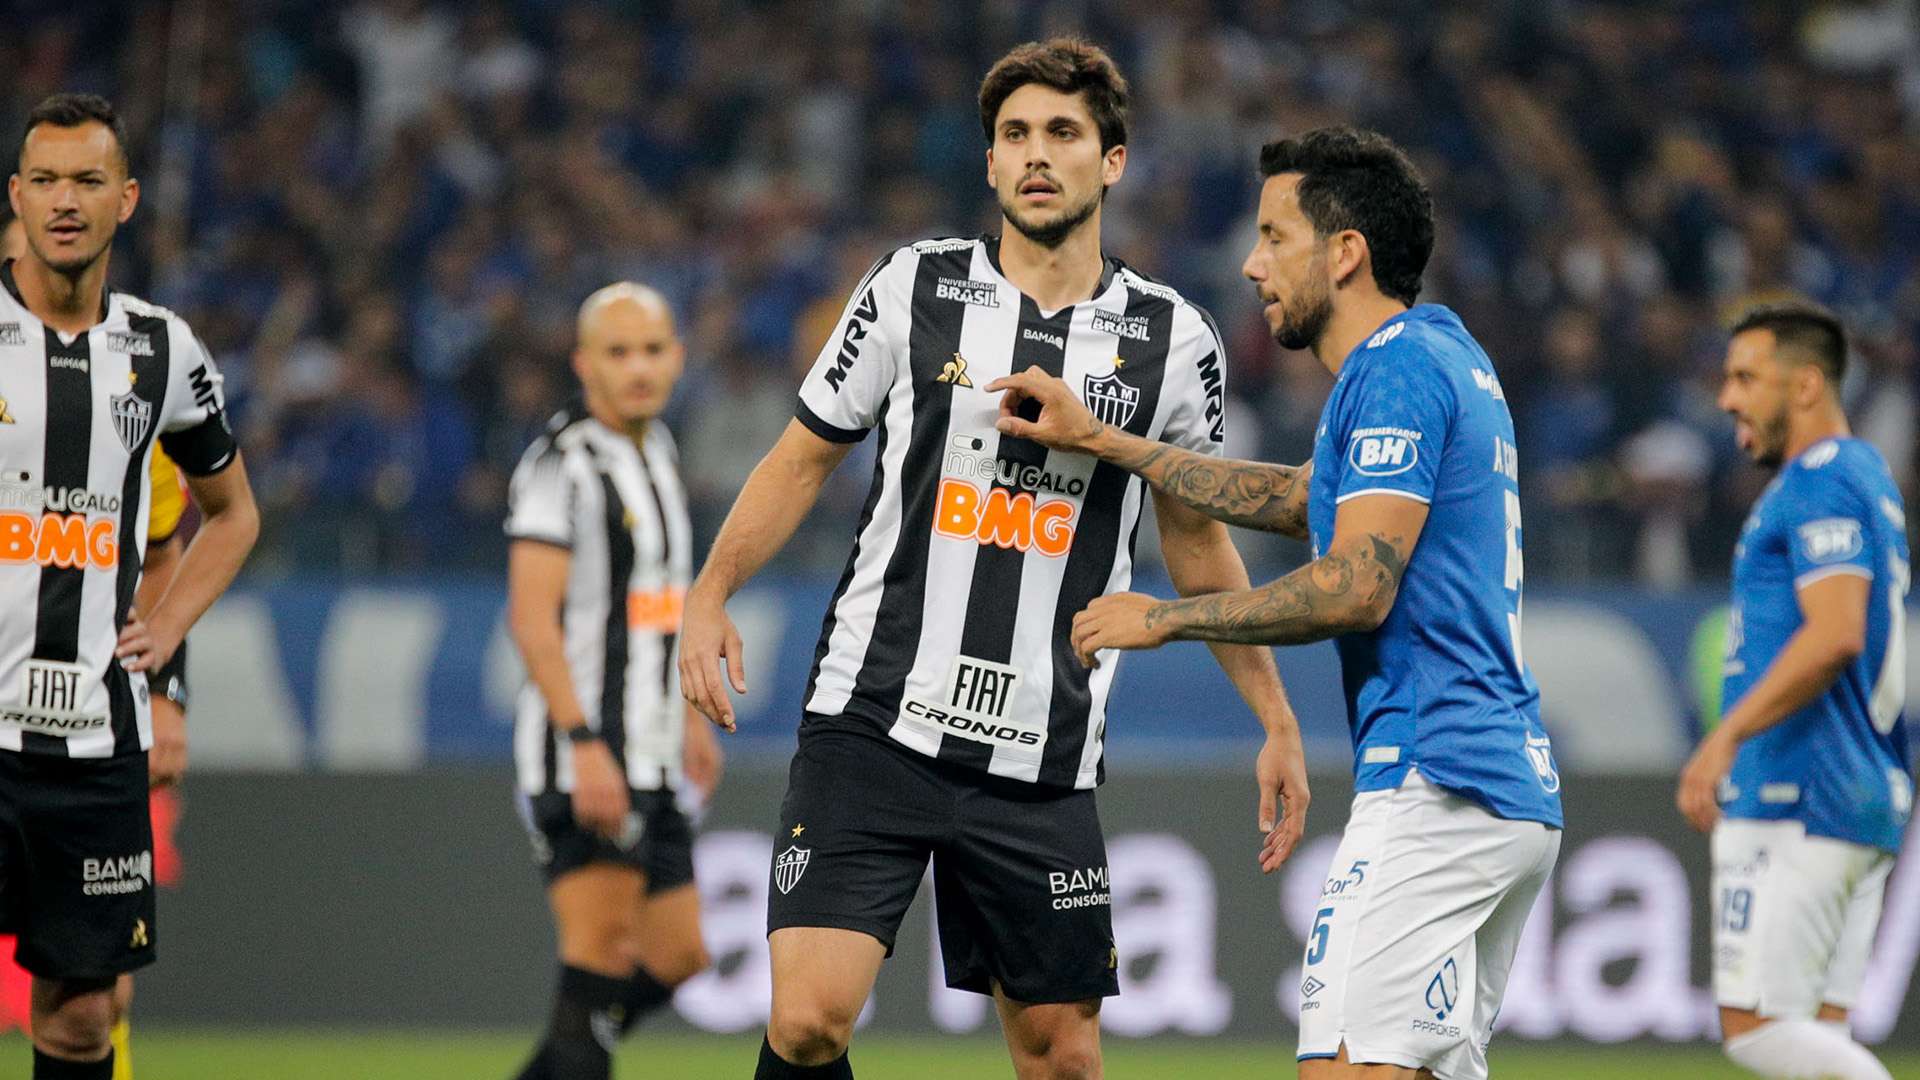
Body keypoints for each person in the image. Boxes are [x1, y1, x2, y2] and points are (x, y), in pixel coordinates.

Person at [679, 37, 1309, 1080]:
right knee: (808, 1021)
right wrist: (710, 592)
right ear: (988, 163)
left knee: (1062, 1056)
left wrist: (1277, 718)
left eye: (1063, 133)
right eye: (1014, 135)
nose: (1035, 154)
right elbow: (798, 461)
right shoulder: (911, 287)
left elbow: (1197, 546)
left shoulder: (1172, 340)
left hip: (1040, 755)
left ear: (1112, 161)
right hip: (875, 717)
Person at [993, 126, 1562, 1080]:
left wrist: (1164, 618)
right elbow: (1299, 500)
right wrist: (1108, 440)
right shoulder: (1441, 356)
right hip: (1500, 788)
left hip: (1439, 778)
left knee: (1341, 1068)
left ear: (1345, 254)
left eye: (1274, 236)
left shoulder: (1399, 369)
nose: (1253, 264)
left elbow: (1355, 585)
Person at [0, 92, 258, 1080]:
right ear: (17, 196)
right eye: (49, 181)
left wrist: (164, 633)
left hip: (95, 751)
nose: (67, 201)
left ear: (128, 200)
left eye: (90, 181)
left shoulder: (161, 351)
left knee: (79, 1023)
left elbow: (231, 513)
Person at [1676, 301, 1907, 1080]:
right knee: (1819, 1036)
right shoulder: (1865, 475)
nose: (1727, 398)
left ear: (1806, 385)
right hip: (1856, 793)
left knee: (1758, 1030)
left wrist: (1725, 735)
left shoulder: (1822, 478)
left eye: (1745, 378)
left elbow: (1836, 631)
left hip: (1799, 793)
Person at [505, 283, 721, 1080]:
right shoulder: (561, 466)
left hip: (656, 751)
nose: (638, 368)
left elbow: (659, 612)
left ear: (678, 357)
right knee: (600, 959)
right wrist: (584, 743)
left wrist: (688, 719)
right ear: (583, 363)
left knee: (681, 954)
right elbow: (531, 620)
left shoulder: (656, 450)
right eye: (618, 352)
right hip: (587, 752)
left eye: (653, 349)